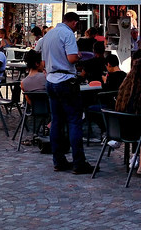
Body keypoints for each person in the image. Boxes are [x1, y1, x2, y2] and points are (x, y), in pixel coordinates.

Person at [43, 11, 95, 174]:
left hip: (51, 80)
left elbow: (43, 61)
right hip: (65, 79)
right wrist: (79, 56)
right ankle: (79, 162)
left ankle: (58, 160)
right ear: (73, 22)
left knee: (56, 121)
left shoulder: (49, 35)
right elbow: (72, 58)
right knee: (74, 121)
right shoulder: (67, 34)